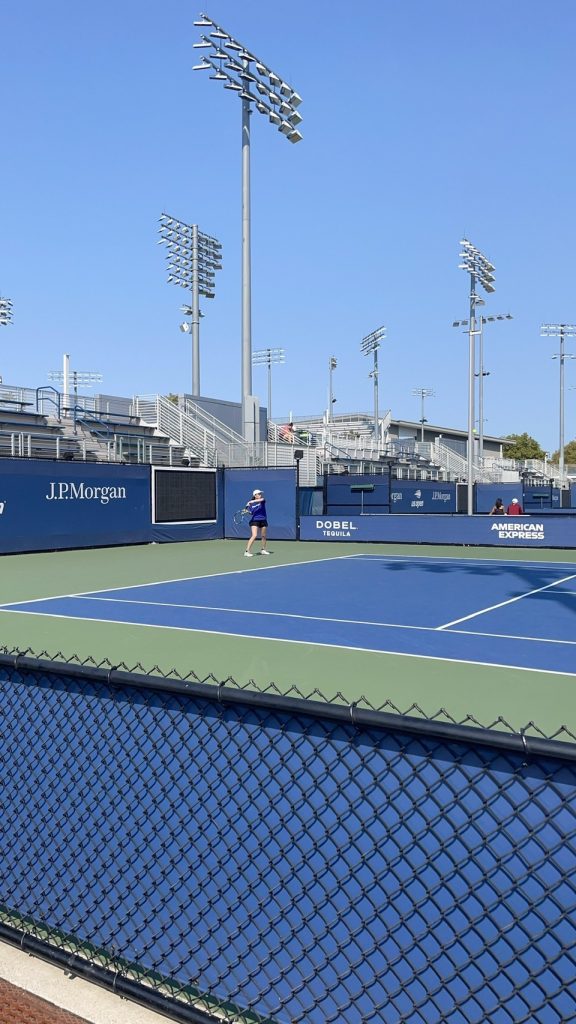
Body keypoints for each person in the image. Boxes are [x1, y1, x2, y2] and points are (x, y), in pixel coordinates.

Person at [244, 489, 270, 557]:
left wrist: (251, 501)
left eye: (260, 493)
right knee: (254, 535)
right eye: (259, 494)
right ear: (255, 495)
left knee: (263, 536)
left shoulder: (262, 500)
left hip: (263, 520)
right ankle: (247, 551)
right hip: (255, 520)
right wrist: (247, 511)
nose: (260, 495)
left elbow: (261, 499)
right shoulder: (251, 505)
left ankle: (263, 550)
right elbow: (251, 513)